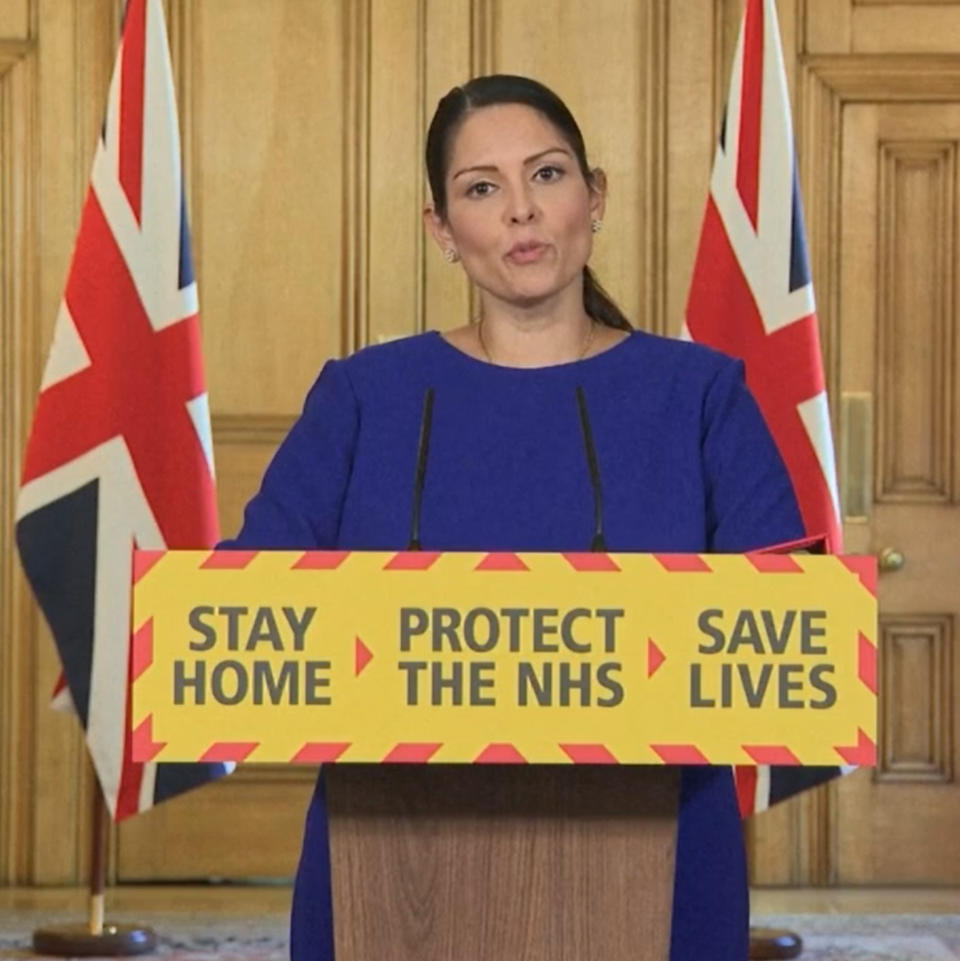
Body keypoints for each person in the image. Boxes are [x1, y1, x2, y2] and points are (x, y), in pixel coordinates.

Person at [223, 74, 804, 961]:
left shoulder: (702, 396)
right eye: (482, 188)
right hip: (391, 869)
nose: (521, 212)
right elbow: (236, 612)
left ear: (595, 196)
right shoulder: (363, 397)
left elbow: (795, 629)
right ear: (441, 230)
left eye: (548, 175)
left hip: (659, 863)